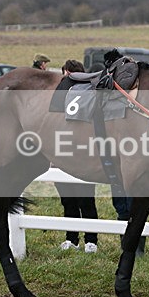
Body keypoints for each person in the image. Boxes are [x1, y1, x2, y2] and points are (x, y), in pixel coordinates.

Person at [55, 59, 99, 253]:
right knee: (69, 201)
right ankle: (72, 239)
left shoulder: (88, 97)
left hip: (81, 154)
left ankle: (91, 240)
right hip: (64, 154)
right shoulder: (60, 98)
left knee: (85, 201)